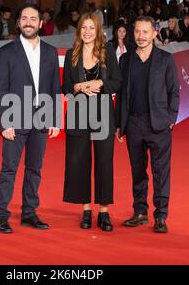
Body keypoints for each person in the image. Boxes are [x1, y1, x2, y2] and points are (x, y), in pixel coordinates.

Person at [0, 4, 61, 234]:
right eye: (24, 18)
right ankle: (2, 215)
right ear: (18, 22)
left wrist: (55, 119)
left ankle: (29, 212)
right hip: (15, 118)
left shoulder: (51, 52)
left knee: (35, 169)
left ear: (40, 23)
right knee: (9, 169)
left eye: (33, 18)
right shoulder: (6, 52)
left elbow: (54, 87)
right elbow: (1, 89)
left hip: (41, 118)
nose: (29, 22)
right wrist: (5, 122)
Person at [115, 16, 180, 233]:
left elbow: (174, 92)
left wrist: (171, 119)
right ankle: (140, 212)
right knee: (138, 171)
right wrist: (119, 124)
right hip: (133, 123)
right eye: (137, 32)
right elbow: (121, 96)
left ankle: (160, 216)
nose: (140, 36)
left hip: (159, 124)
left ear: (154, 33)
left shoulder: (165, 59)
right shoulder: (125, 60)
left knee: (161, 172)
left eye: (145, 32)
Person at [62, 13, 121, 231]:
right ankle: (86, 209)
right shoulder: (71, 55)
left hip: (103, 114)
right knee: (80, 162)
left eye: (91, 28)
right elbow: (65, 86)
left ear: (98, 31)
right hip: (78, 114)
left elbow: (117, 82)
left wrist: (101, 83)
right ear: (79, 31)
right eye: (83, 28)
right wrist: (76, 87)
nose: (87, 32)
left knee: (104, 162)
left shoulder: (108, 54)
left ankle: (104, 212)